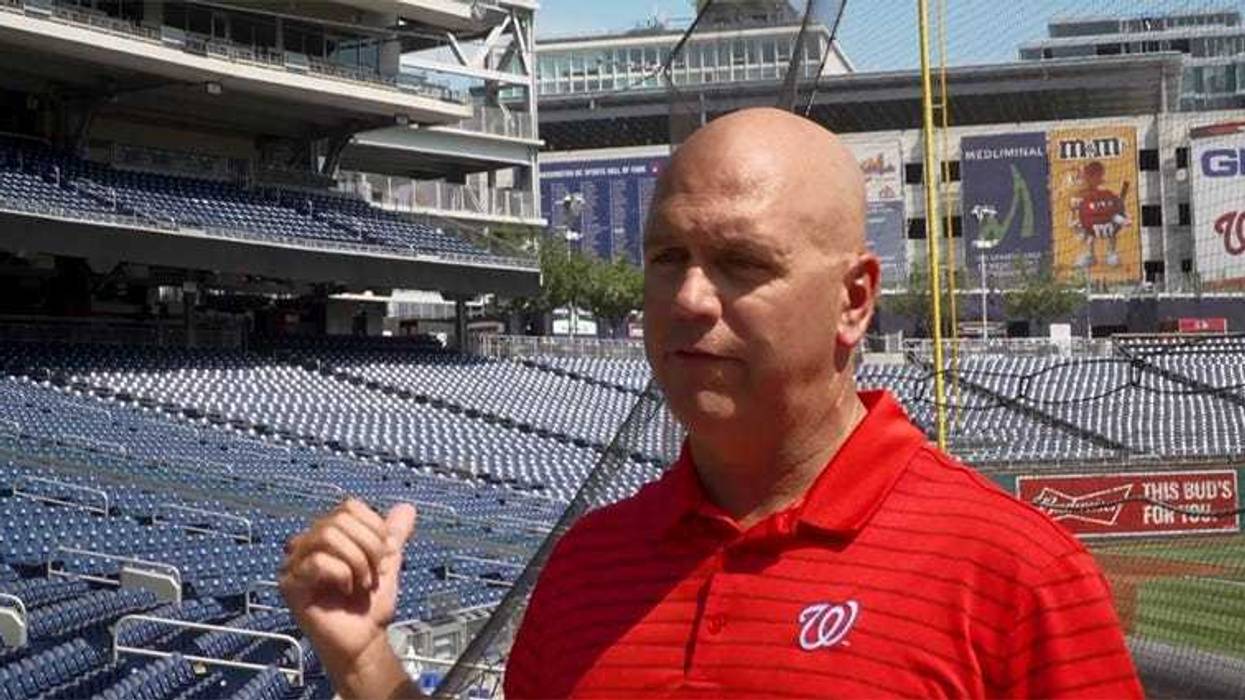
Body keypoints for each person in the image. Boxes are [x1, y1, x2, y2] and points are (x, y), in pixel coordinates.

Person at [279, 108, 1143, 698]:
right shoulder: (590, 565)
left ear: (854, 299)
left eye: (740, 263)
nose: (689, 298)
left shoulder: (1014, 574)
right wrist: (363, 662)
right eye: (667, 257)